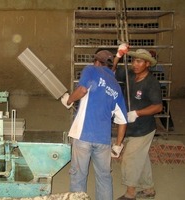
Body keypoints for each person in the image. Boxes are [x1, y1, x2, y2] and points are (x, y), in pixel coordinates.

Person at [61, 50, 128, 200]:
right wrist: (118, 145)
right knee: (104, 177)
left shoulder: (91, 70)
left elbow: (82, 90)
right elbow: (123, 120)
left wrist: (69, 100)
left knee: (78, 176)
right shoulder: (116, 87)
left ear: (96, 61)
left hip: (83, 135)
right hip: (103, 140)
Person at [114, 48, 163, 200]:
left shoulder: (151, 83)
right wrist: (118, 56)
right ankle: (148, 189)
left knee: (129, 158)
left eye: (139, 61)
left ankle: (130, 194)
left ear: (147, 64)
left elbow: (158, 106)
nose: (135, 64)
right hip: (130, 127)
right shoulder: (130, 75)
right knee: (141, 158)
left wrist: (137, 113)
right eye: (134, 60)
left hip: (144, 129)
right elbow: (113, 71)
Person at [149, 50, 175, 131]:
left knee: (162, 107)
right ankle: (167, 125)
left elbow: (159, 79)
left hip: (159, 89)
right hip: (156, 89)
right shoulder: (154, 66)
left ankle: (169, 125)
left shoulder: (158, 66)